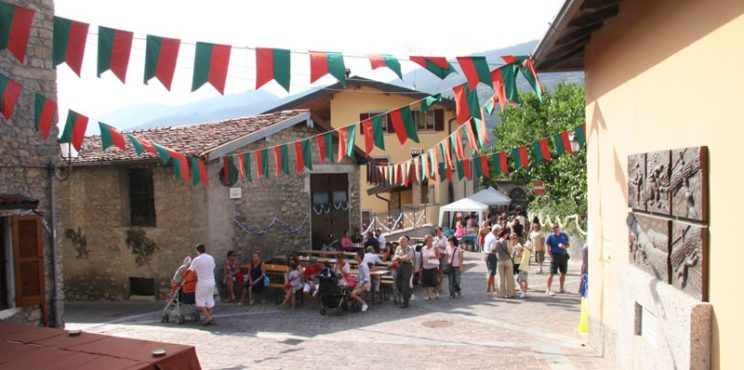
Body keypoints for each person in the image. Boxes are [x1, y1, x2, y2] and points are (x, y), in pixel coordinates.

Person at [189, 243, 216, 325]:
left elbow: (191, 270)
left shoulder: (197, 259)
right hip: (211, 281)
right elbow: (213, 267)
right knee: (209, 300)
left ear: (197, 251)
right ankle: (209, 317)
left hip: (202, 281)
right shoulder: (210, 257)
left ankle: (208, 317)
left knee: (200, 301)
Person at [546, 223, 570, 295]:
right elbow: (547, 247)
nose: (555, 229)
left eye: (556, 227)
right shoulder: (550, 237)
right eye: (553, 228)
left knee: (563, 273)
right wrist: (551, 256)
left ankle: (561, 288)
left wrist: (564, 246)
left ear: (559, 227)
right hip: (555, 256)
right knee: (551, 273)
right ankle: (548, 289)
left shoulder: (564, 235)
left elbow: (568, 244)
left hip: (563, 255)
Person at [393, 236, 414, 308]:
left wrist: (399, 258)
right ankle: (408, 293)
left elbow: (407, 258)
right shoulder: (398, 247)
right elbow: (395, 257)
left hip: (407, 266)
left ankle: (405, 302)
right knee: (397, 283)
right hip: (399, 266)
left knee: (405, 284)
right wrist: (400, 258)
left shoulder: (410, 248)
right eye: (400, 242)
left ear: (406, 242)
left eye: (402, 241)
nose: (401, 243)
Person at [495, 229, 516, 298]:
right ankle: (510, 293)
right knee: (510, 278)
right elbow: (510, 251)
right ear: (504, 234)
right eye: (506, 234)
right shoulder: (507, 242)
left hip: (500, 261)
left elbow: (495, 250)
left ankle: (501, 294)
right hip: (507, 260)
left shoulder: (497, 242)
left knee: (500, 278)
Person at [420, 235, 441, 300]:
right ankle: (428, 295)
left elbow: (439, 256)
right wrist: (420, 266)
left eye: (431, 240)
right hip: (425, 267)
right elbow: (421, 258)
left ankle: (436, 292)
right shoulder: (423, 248)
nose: (430, 242)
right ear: (425, 241)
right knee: (426, 282)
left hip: (433, 267)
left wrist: (433, 257)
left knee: (434, 281)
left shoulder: (435, 247)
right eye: (428, 240)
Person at [483, 225, 501, 293]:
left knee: (492, 272)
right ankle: (488, 288)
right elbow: (493, 249)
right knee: (492, 272)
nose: (499, 232)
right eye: (498, 231)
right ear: (496, 230)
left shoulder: (488, 235)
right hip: (491, 255)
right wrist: (499, 249)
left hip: (486, 254)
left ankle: (493, 287)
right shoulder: (493, 238)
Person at [433, 227, 448, 294]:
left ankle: (441, 286)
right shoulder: (434, 238)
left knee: (441, 271)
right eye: (437, 231)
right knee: (435, 270)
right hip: (435, 255)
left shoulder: (445, 238)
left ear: (441, 231)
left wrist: (439, 246)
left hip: (442, 254)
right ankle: (436, 285)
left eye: (439, 231)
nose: (438, 232)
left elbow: (446, 247)